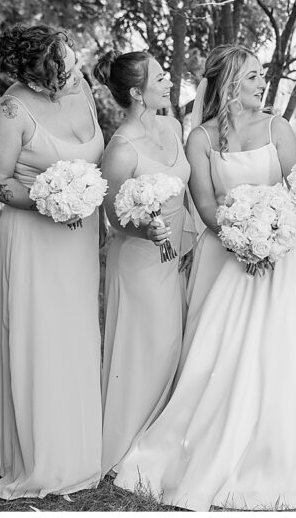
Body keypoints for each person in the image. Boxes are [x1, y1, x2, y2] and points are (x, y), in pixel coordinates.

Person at [113, 45, 296, 510]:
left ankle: (274, 453)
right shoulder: (202, 139)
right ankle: (202, 447)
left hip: (285, 256)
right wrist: (243, 242)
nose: (261, 82)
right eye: (252, 76)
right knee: (221, 349)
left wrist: (272, 238)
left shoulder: (279, 128)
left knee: (277, 349)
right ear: (230, 84)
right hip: (227, 255)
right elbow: (207, 204)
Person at [0, 23, 103, 499]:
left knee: (76, 334)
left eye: (71, 59)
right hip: (34, 235)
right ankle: (40, 451)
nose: (73, 70)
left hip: (80, 238)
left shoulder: (83, 89)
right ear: (35, 76)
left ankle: (80, 439)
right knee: (41, 335)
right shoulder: (10, 111)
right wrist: (51, 201)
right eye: (62, 67)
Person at [93, 50, 194, 476]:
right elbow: (114, 216)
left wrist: (190, 240)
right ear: (137, 92)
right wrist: (145, 231)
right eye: (160, 76)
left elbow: (185, 193)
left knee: (174, 344)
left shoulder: (172, 125)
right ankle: (126, 444)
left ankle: (162, 438)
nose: (169, 80)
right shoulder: (120, 148)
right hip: (139, 260)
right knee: (148, 346)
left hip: (178, 255)